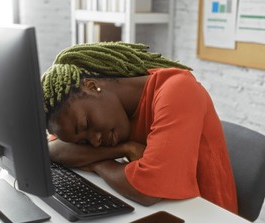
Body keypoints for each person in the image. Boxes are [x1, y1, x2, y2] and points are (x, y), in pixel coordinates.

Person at [42, 42, 238, 213]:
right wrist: (123, 149)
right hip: (163, 213)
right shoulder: (113, 119)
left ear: (92, 87)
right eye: (83, 142)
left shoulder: (177, 90)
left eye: (86, 125)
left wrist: (96, 164)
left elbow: (148, 190)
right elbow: (52, 149)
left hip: (208, 220)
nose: (94, 142)